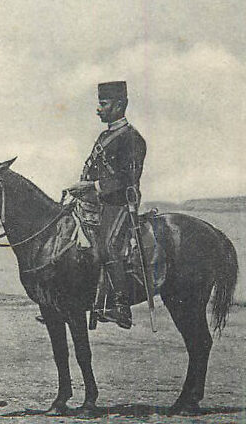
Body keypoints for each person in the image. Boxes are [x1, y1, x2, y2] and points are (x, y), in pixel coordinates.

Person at [65, 81, 146, 329]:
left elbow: (127, 178)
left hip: (120, 204)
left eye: (103, 104)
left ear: (120, 104)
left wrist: (93, 187)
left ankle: (120, 306)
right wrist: (81, 188)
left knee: (109, 246)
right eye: (99, 103)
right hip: (96, 203)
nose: (98, 109)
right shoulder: (104, 136)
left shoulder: (133, 139)